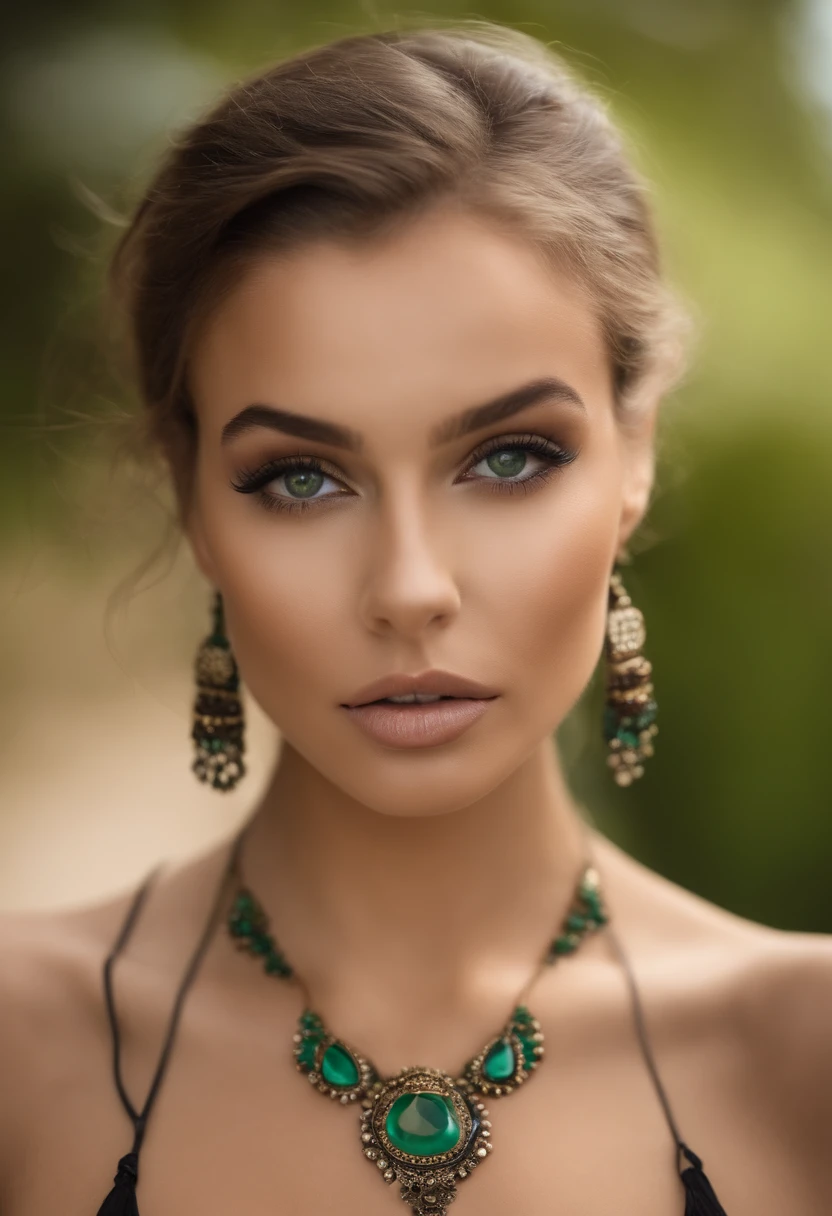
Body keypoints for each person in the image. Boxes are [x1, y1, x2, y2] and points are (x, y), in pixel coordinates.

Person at [0, 20, 829, 1216]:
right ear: (190, 496)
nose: (408, 586)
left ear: (633, 451)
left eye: (507, 458)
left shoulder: (802, 1059)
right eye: (301, 477)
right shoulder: (24, 1056)